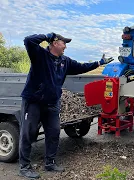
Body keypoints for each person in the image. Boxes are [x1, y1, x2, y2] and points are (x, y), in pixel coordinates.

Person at [18, 32, 114, 179]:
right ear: (55, 43)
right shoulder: (39, 55)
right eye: (64, 43)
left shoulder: (65, 61)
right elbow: (28, 40)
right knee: (28, 133)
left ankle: (50, 163)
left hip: (52, 103)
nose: (66, 47)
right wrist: (46, 36)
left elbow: (81, 67)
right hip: (34, 102)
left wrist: (99, 63)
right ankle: (24, 167)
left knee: (54, 132)